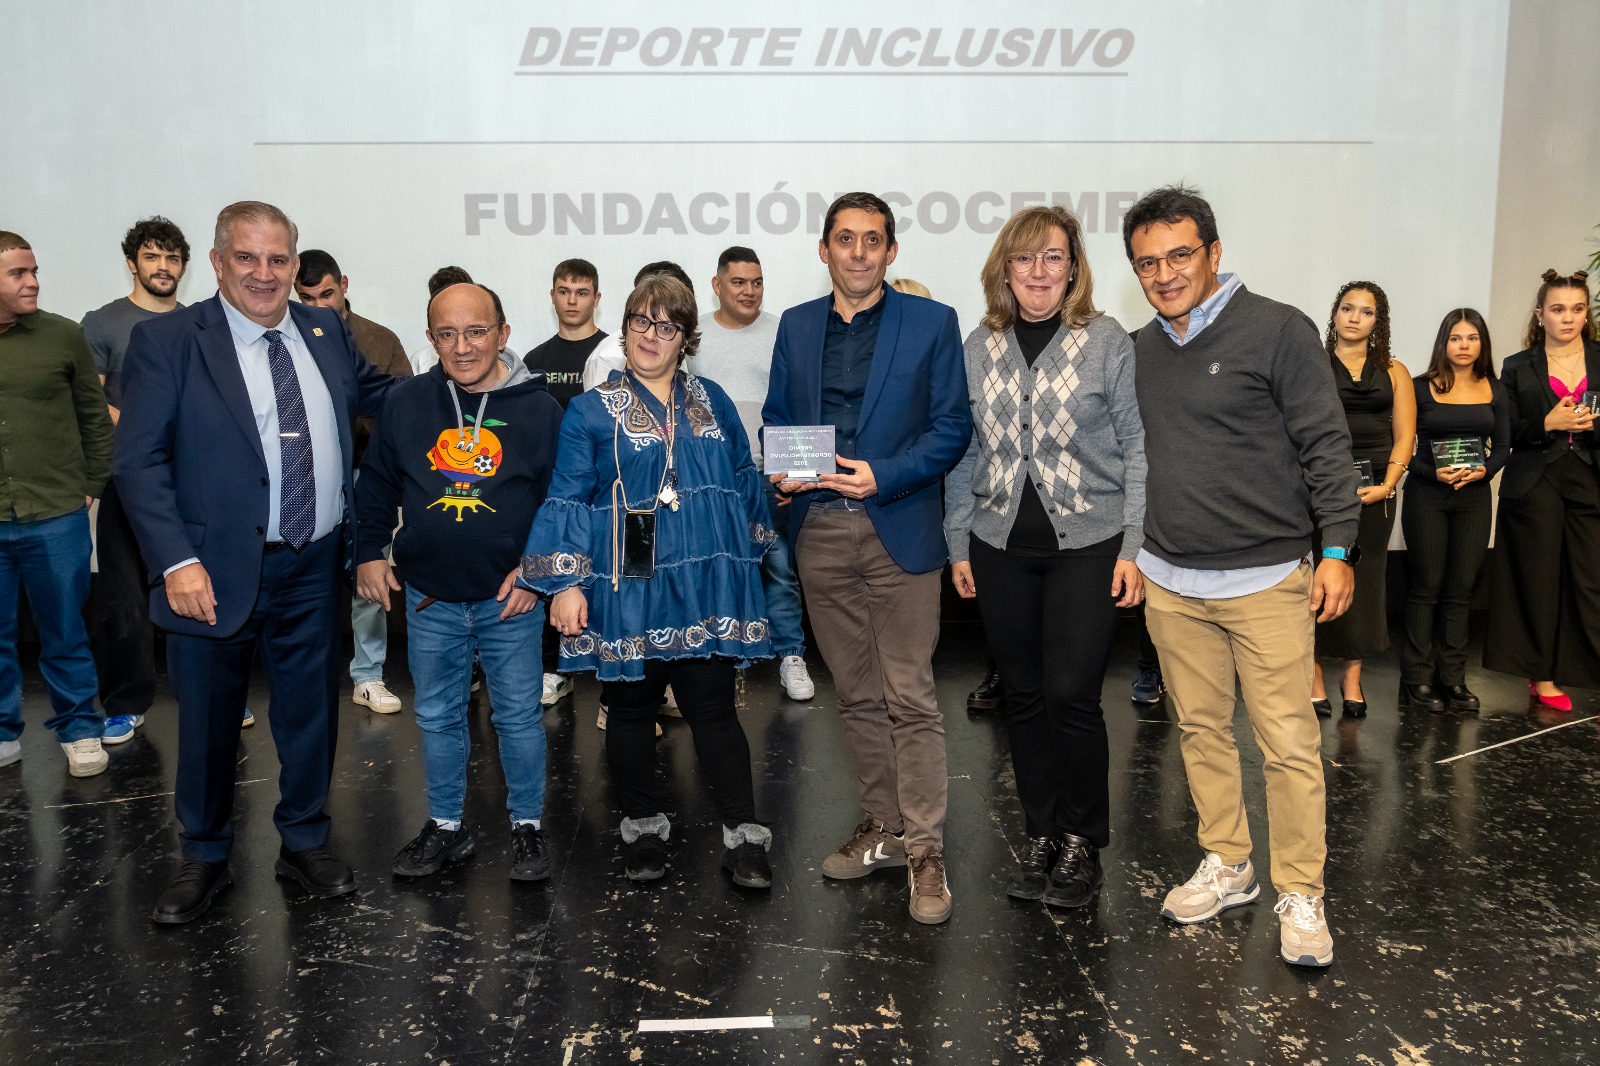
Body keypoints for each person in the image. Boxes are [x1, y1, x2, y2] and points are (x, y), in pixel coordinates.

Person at [116, 201, 393, 924]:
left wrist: (482, 379)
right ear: (216, 262)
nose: (263, 274)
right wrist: (175, 561)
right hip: (209, 571)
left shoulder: (326, 331)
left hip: (314, 562)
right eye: (247, 257)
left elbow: (388, 398)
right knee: (208, 723)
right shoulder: (167, 340)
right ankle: (204, 857)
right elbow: (138, 463)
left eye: (277, 260)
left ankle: (304, 841)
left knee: (310, 716)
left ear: (295, 266)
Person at [1122, 185, 1357, 968]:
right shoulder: (1139, 349)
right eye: (1147, 263)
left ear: (1214, 253)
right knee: (1199, 731)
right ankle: (1229, 863)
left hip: (1266, 581)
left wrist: (1338, 550)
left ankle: (1303, 891)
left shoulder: (1280, 329)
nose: (1164, 274)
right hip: (1170, 582)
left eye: (1179, 255)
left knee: (1287, 745)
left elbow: (1326, 443)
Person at [520, 273, 776, 890]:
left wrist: (753, 546)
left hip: (705, 583)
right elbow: (568, 496)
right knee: (630, 709)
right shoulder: (589, 410)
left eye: (666, 325)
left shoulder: (713, 400)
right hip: (627, 585)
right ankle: (642, 828)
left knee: (714, 710)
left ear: (686, 337)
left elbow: (742, 477)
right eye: (641, 321)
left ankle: (744, 835)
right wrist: (567, 585)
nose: (651, 335)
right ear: (626, 327)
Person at [764, 192, 972, 925]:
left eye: (873, 240)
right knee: (854, 695)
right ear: (824, 250)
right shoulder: (795, 325)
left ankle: (926, 850)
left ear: (891, 251)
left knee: (909, 696)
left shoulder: (932, 323)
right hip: (819, 530)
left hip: (899, 527)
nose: (859, 252)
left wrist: (884, 475)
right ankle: (884, 828)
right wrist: (785, 470)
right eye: (845, 239)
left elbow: (952, 427)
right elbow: (780, 419)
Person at [945, 204, 1146, 908]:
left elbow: (1136, 447)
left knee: (1072, 696)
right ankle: (1042, 833)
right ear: (1004, 269)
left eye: (1053, 257)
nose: (1038, 271)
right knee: (1023, 698)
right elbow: (965, 451)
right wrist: (958, 540)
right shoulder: (979, 345)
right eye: (1024, 258)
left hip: (1089, 546)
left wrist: (1133, 546)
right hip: (998, 546)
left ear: (1074, 267)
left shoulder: (1106, 340)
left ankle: (1082, 841)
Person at [356, 282, 562, 881]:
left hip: (511, 600)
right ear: (430, 339)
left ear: (503, 333)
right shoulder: (405, 402)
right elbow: (376, 486)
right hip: (429, 598)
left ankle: (528, 827)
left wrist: (537, 573)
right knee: (437, 717)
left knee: (517, 718)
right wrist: (368, 553)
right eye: (447, 334)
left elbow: (562, 502)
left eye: (476, 332)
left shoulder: (541, 410)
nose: (463, 347)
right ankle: (446, 827)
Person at [0, 232, 115, 777]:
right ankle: (3, 733)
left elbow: (95, 416)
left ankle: (79, 729)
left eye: (34, 271)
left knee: (66, 631)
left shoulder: (64, 336)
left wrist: (92, 481)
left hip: (57, 515)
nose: (33, 282)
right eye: (18, 274)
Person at [81, 217, 190, 744]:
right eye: (151, 256)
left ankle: (215, 693)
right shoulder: (103, 323)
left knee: (202, 585)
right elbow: (92, 400)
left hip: (190, 480)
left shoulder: (200, 323)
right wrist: (147, 429)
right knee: (123, 596)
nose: (162, 267)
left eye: (171, 258)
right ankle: (125, 704)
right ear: (132, 263)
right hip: (127, 479)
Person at [690, 245, 815, 702]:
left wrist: (795, 473)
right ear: (717, 285)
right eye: (739, 282)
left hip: (769, 476)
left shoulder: (783, 331)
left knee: (779, 569)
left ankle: (791, 656)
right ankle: (708, 661)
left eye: (757, 282)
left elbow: (800, 404)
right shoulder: (692, 335)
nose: (749, 291)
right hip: (709, 480)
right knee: (709, 570)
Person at [294, 249, 414, 716]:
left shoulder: (379, 339)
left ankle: (367, 675)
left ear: (343, 285)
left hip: (368, 474)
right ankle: (308, 676)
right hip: (310, 475)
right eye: (307, 298)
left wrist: (350, 421)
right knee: (308, 576)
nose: (318, 305)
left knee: (370, 570)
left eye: (326, 294)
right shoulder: (287, 336)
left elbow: (400, 409)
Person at [1485, 270, 1599, 710]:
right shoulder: (1517, 365)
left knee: (1591, 580)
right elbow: (1506, 430)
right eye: (1557, 309)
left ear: (1586, 314)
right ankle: (1544, 677)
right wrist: (1547, 423)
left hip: (1590, 476)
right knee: (1539, 580)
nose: (1567, 318)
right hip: (1536, 481)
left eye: (1577, 309)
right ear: (1540, 314)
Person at [1311, 282, 1417, 719]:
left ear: (1379, 321)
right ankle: (1313, 676)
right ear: (1334, 314)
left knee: (1366, 582)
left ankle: (1351, 678)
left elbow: (1405, 435)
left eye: (1366, 311)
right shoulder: (1312, 364)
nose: (1354, 317)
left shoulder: (1394, 370)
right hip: (1319, 490)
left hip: (1376, 492)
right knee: (1316, 581)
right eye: (1347, 308)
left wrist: (1388, 485)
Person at [1400, 308, 1509, 714]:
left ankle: (1453, 679)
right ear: (1443, 342)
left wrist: (1485, 471)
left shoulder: (1495, 389)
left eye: (1472, 338)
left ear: (1482, 344)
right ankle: (1416, 678)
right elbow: (1403, 447)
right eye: (1456, 338)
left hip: (1474, 497)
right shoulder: (1418, 387)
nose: (1464, 346)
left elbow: (1502, 447)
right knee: (1426, 586)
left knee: (1461, 590)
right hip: (1427, 494)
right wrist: (1433, 472)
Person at [523, 259, 609, 707]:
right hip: (556, 488)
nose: (572, 300)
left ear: (597, 298)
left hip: (607, 488)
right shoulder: (534, 361)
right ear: (552, 296)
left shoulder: (617, 352)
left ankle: (619, 680)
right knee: (553, 573)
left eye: (582, 292)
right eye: (564, 291)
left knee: (610, 579)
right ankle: (555, 669)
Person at [580, 261, 693, 392]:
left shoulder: (673, 348)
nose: (650, 336)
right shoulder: (607, 356)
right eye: (643, 321)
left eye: (666, 328)